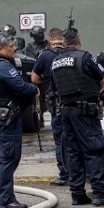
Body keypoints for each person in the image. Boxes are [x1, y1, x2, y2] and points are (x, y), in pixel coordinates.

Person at [48, 27, 104, 206]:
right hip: (85, 111)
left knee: (73, 152)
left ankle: (77, 193)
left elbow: (54, 89)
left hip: (65, 111)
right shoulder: (84, 57)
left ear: (64, 43)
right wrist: (95, 94)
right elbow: (102, 80)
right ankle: (100, 193)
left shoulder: (55, 61)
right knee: (94, 150)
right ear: (78, 42)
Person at [0, 31, 39, 208]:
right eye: (11, 47)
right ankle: (5, 198)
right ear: (1, 48)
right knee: (9, 157)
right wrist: (33, 89)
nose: (14, 49)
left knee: (1, 157)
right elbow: (20, 87)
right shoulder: (3, 67)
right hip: (5, 117)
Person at [31, 27, 70, 186]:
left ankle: (64, 174)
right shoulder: (71, 53)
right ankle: (75, 172)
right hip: (72, 102)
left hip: (55, 103)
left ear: (49, 40)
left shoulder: (45, 56)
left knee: (60, 140)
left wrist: (46, 82)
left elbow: (34, 78)